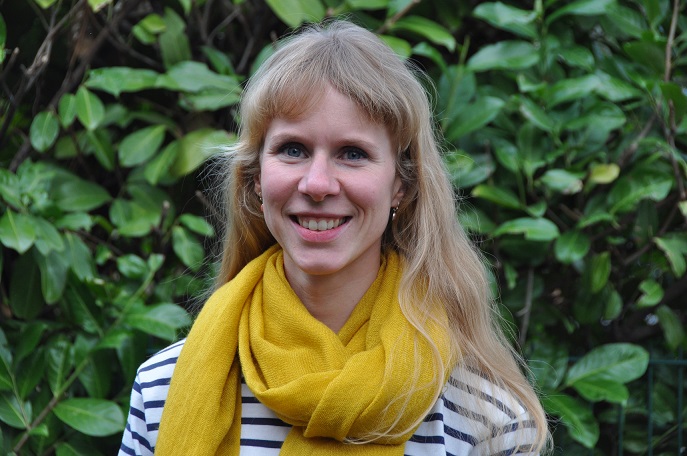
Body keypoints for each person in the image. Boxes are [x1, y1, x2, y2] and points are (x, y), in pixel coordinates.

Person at [119, 20, 550, 456]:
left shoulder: (486, 423)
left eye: (352, 153)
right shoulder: (161, 393)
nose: (318, 184)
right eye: (293, 149)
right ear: (256, 178)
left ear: (401, 185)